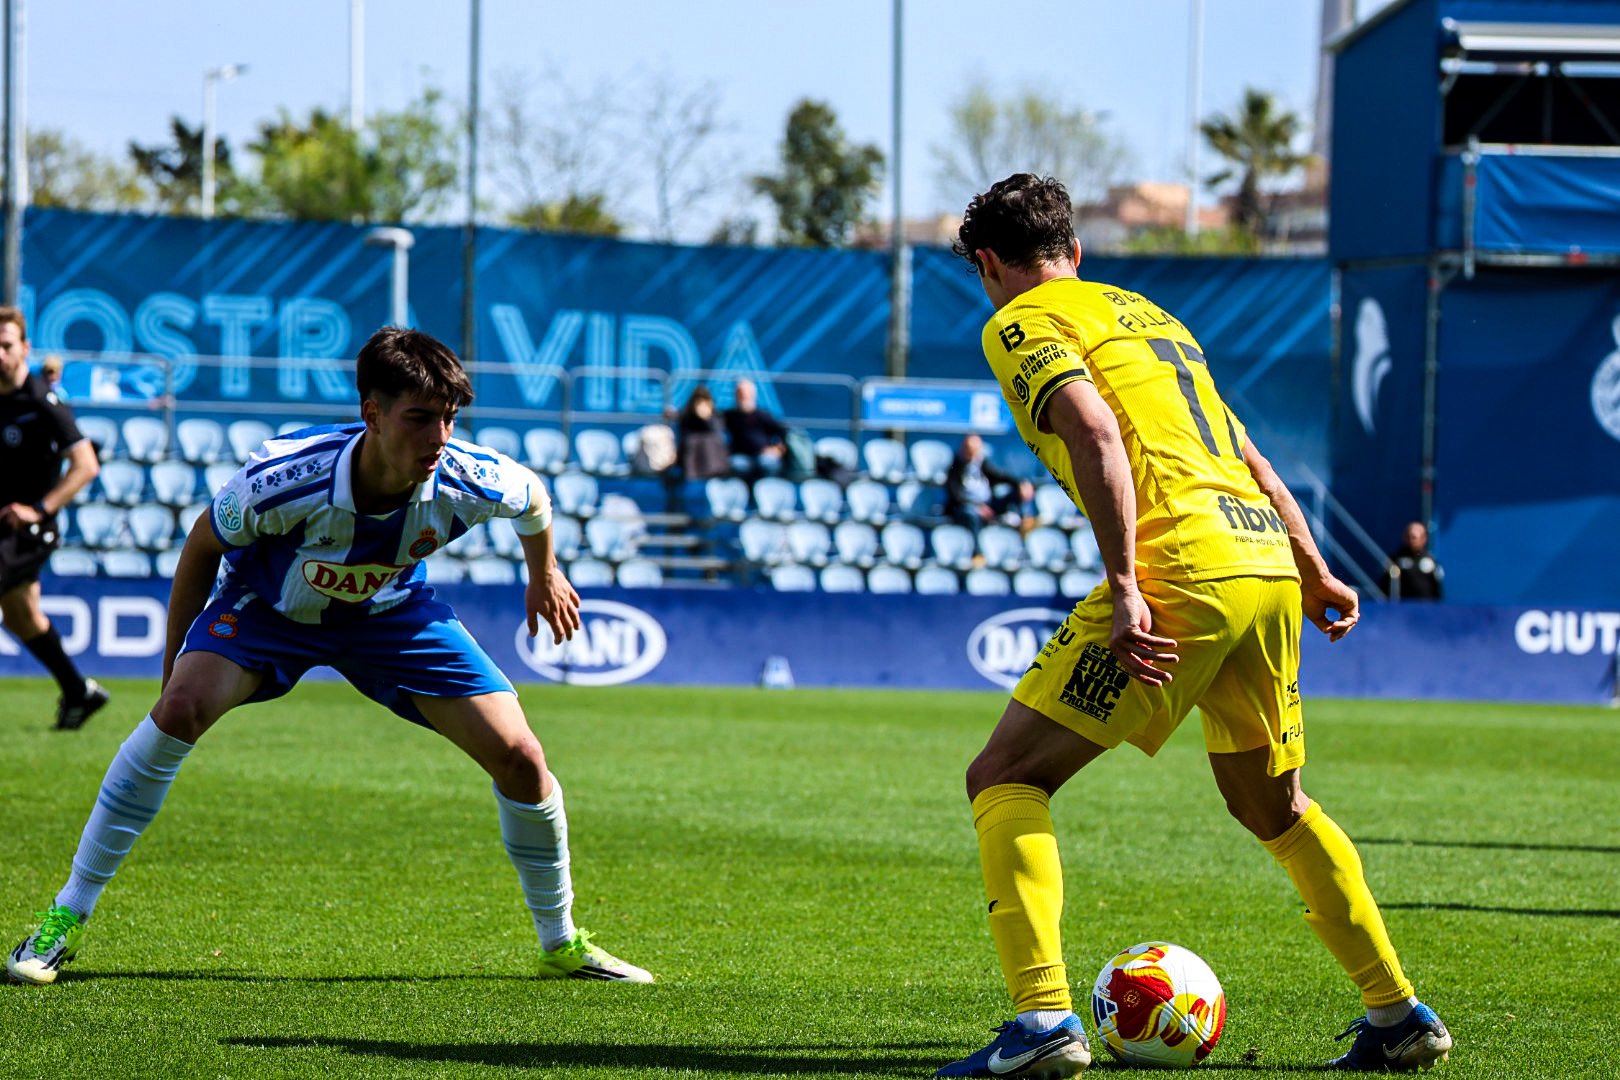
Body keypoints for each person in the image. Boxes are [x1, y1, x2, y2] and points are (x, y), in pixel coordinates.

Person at [934, 175, 1451, 1077]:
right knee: (1273, 806)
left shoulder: (1020, 322)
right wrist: (1313, 565)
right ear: (1077, 252)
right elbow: (1244, 450)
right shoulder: (1152, 318)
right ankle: (1398, 1011)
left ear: (989, 265)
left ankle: (1042, 1020)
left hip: (1182, 571)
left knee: (1005, 774)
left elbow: (1093, 432)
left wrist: (1126, 581)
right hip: (1259, 566)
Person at [6, 327, 652, 987]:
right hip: (269, 612)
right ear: (372, 415)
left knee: (522, 759)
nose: (440, 437)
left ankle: (562, 943)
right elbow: (202, 546)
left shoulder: (466, 475)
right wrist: (172, 674)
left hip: (389, 614)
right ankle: (65, 917)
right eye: (421, 418)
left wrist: (543, 574)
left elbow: (534, 500)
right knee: (178, 712)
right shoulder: (284, 480)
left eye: (450, 419)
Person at [0, 306, 109, 730]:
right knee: (22, 616)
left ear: (24, 348)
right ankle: (79, 692)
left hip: (30, 529)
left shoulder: (43, 401)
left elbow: (85, 465)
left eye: (6, 345)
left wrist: (41, 508)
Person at [943, 433, 1036, 535]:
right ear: (963, 448)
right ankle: (977, 550)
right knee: (970, 514)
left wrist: (1020, 484)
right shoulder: (955, 467)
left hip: (988, 503)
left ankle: (1025, 523)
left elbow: (1001, 475)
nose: (973, 453)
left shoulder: (982, 464)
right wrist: (977, 507)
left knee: (1016, 493)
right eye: (970, 449)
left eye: (975, 450)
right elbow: (955, 494)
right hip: (967, 507)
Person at [722, 378, 788, 479]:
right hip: (740, 456)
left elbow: (783, 432)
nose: (743, 396)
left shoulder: (763, 415)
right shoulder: (729, 416)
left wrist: (777, 449)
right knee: (735, 464)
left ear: (753, 394)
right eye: (740, 393)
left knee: (766, 463)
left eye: (746, 393)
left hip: (762, 456)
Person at [676, 385, 730, 481]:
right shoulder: (686, 417)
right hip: (693, 456)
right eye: (698, 402)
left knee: (709, 443)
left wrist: (706, 418)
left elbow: (716, 429)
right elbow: (684, 435)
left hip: (712, 457)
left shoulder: (716, 416)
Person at [1388, 521, 1443, 601]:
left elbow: (1437, 589)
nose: (1412, 540)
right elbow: (1386, 584)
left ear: (1424, 539)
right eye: (1409, 536)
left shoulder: (1430, 560)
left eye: (1414, 537)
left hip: (1426, 608)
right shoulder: (1396, 559)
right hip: (1403, 607)